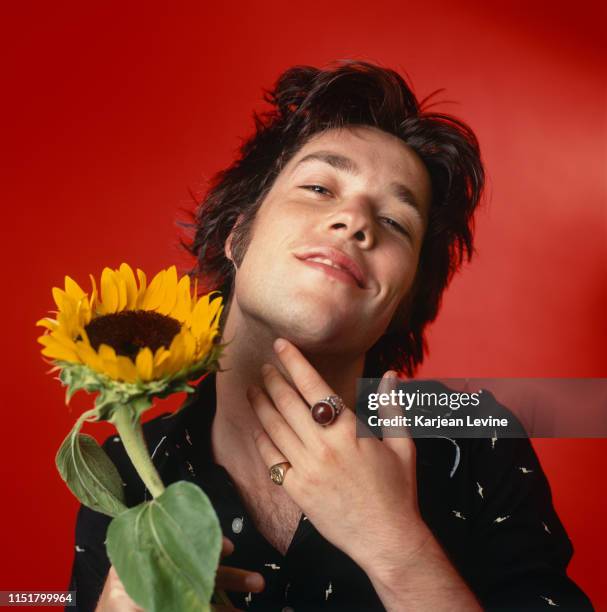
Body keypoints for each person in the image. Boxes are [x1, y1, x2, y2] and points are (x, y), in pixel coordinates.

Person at [67, 61, 593, 611]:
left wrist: (394, 544)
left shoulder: (478, 439)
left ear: (405, 300)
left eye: (395, 222)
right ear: (235, 233)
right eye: (319, 187)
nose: (354, 220)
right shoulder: (125, 471)